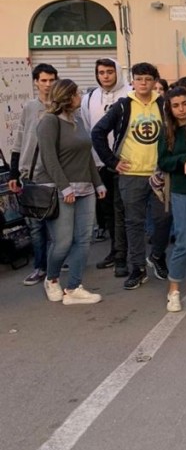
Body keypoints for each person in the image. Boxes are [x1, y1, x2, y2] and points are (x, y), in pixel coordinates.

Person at [91, 62, 172, 291]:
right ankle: (137, 267)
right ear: (132, 81)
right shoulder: (123, 106)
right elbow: (97, 132)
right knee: (133, 223)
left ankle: (157, 255)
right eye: (138, 79)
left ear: (155, 80)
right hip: (131, 175)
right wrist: (113, 162)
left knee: (164, 219)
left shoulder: (163, 105)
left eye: (147, 79)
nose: (143, 84)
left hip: (160, 174)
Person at [36, 79, 106, 305]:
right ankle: (52, 278)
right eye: (77, 94)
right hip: (60, 189)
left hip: (85, 188)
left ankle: (74, 286)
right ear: (67, 97)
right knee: (63, 242)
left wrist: (98, 183)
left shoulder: (77, 120)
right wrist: (64, 187)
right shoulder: (49, 121)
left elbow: (86, 156)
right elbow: (49, 158)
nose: (80, 97)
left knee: (83, 240)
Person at [79, 57, 131, 276]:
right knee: (108, 211)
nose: (106, 76)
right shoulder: (89, 98)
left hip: (127, 162)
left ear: (117, 72)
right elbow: (90, 127)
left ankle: (129, 253)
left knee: (127, 210)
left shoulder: (130, 93)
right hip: (102, 163)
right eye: (101, 72)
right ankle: (115, 250)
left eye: (110, 71)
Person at [9, 63, 58, 286]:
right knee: (36, 227)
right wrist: (14, 173)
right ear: (36, 82)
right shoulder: (29, 107)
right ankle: (40, 267)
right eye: (44, 80)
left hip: (56, 175)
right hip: (30, 175)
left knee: (57, 225)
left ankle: (56, 262)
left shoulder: (62, 107)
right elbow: (19, 141)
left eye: (51, 80)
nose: (48, 84)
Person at [157, 87, 186, 313]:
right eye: (176, 105)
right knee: (185, 239)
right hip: (182, 191)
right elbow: (163, 161)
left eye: (185, 104)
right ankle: (174, 290)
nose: (181, 109)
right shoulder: (167, 132)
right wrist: (183, 159)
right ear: (169, 109)